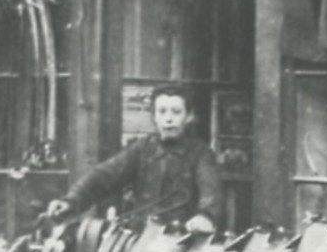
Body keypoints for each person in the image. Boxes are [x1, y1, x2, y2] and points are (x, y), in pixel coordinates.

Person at [47, 84, 222, 232]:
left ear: (189, 117)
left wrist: (205, 216)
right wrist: (72, 200)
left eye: (176, 112)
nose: (168, 119)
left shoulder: (201, 153)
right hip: (140, 239)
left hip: (182, 241)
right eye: (162, 112)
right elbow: (105, 175)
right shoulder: (142, 149)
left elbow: (210, 191)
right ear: (154, 117)